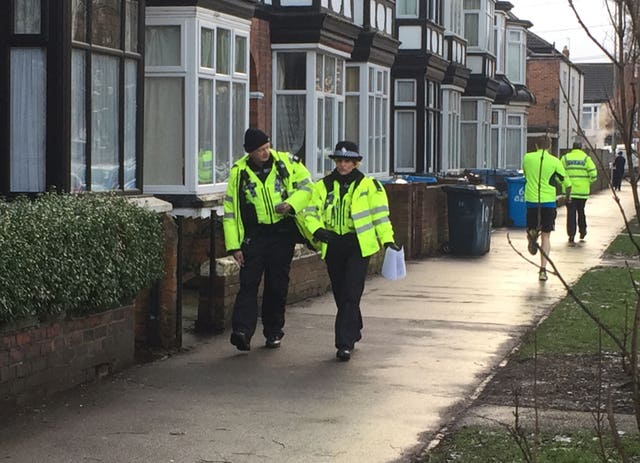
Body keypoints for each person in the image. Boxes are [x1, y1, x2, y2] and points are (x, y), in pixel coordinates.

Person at [303, 141, 398, 361]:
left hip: (358, 245)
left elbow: (380, 216)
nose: (343, 165)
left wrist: (388, 241)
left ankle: (344, 343)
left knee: (351, 293)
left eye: (347, 161)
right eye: (339, 161)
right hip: (334, 243)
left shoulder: (369, 186)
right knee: (340, 293)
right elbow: (310, 212)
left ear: (355, 163)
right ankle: (354, 325)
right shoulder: (322, 185)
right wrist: (317, 230)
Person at [223, 128, 312, 351]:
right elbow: (230, 211)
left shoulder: (286, 162)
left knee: (277, 284)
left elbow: (308, 186)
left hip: (282, 233)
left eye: (267, 147)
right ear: (250, 153)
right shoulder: (239, 172)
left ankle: (273, 331)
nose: (265, 152)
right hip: (255, 235)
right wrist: (234, 246)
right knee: (248, 283)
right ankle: (242, 331)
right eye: (260, 150)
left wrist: (292, 204)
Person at [522, 140, 572, 281]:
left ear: (536, 145)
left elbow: (526, 175)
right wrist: (567, 197)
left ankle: (532, 234)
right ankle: (543, 270)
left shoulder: (527, 158)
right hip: (548, 203)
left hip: (532, 200)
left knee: (532, 225)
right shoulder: (555, 162)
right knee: (546, 236)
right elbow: (566, 182)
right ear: (550, 146)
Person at [561, 143, 597, 244]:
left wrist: (563, 184)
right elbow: (593, 174)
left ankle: (571, 234)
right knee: (581, 211)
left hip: (570, 192)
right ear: (581, 148)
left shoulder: (565, 158)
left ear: (572, 148)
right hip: (582, 192)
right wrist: (587, 182)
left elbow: (559, 174)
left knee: (571, 213)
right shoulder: (586, 158)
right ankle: (583, 231)